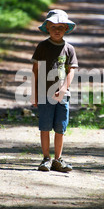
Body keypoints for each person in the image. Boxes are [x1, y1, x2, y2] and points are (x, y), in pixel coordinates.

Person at [31, 9, 78, 172]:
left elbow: (71, 70)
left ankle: (58, 160)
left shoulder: (69, 48)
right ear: (47, 28)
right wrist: (34, 94)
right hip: (44, 93)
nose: (57, 30)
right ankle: (45, 159)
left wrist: (64, 89)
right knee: (45, 127)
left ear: (66, 29)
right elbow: (35, 70)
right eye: (53, 27)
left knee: (60, 127)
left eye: (61, 27)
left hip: (63, 96)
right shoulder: (42, 47)